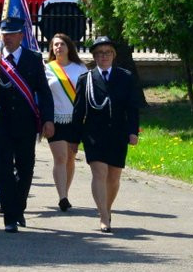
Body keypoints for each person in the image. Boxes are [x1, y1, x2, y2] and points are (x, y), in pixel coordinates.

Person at [0, 17, 54, 233]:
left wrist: (48, 120)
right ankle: (10, 217)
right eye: (4, 35)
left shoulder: (33, 58)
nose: (7, 38)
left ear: (21, 36)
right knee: (2, 168)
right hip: (0, 122)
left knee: (25, 167)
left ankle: (19, 207)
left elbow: (43, 91)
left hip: (26, 123)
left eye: (12, 34)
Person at [73, 36, 140, 233]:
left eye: (108, 52)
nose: (104, 56)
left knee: (113, 178)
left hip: (118, 133)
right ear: (94, 56)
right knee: (99, 173)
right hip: (94, 134)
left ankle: (107, 208)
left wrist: (133, 132)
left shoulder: (125, 77)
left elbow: (132, 108)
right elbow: (79, 111)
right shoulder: (87, 79)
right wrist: (75, 139)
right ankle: (103, 216)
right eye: (100, 53)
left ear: (114, 55)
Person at [43, 33, 87, 212]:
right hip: (55, 119)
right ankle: (62, 197)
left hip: (75, 120)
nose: (58, 48)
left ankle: (65, 193)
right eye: (55, 45)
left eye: (61, 44)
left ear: (69, 47)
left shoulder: (81, 68)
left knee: (70, 159)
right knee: (60, 158)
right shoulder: (47, 69)